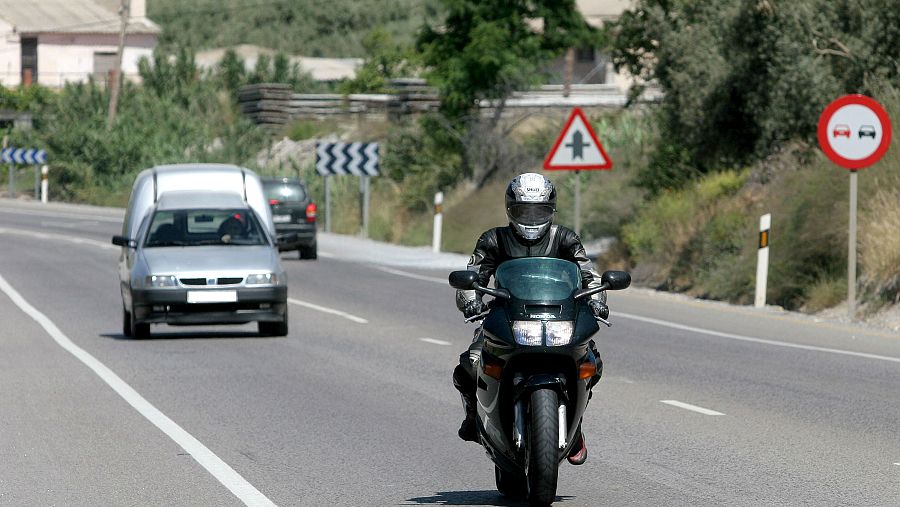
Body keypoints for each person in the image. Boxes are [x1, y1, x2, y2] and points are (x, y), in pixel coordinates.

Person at [452, 172, 607, 466]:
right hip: (506, 316)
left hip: (559, 315)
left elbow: (589, 275)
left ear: (551, 210)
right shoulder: (493, 239)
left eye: (540, 211)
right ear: (511, 210)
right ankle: (474, 418)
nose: (532, 219)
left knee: (592, 364)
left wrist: (598, 300)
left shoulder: (566, 239)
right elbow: (473, 276)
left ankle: (576, 428)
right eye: (525, 211)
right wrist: (471, 300)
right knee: (468, 365)